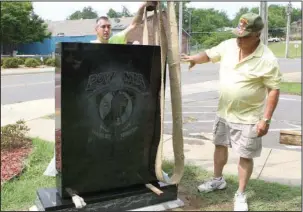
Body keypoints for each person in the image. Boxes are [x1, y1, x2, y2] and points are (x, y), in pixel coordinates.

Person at [181, 13, 282, 211]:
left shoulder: (267, 59)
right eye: (238, 34)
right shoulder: (229, 45)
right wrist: (195, 58)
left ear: (257, 35)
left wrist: (266, 120)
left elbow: (274, 90)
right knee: (219, 145)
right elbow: (209, 54)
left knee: (245, 155)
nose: (239, 39)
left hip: (249, 117)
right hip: (224, 112)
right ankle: (218, 180)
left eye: (244, 36)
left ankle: (241, 193)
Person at [91, 2, 156, 44]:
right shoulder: (90, 47)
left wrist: (142, 6)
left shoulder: (115, 40)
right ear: (96, 29)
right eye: (103, 26)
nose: (107, 29)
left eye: (109, 26)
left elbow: (134, 25)